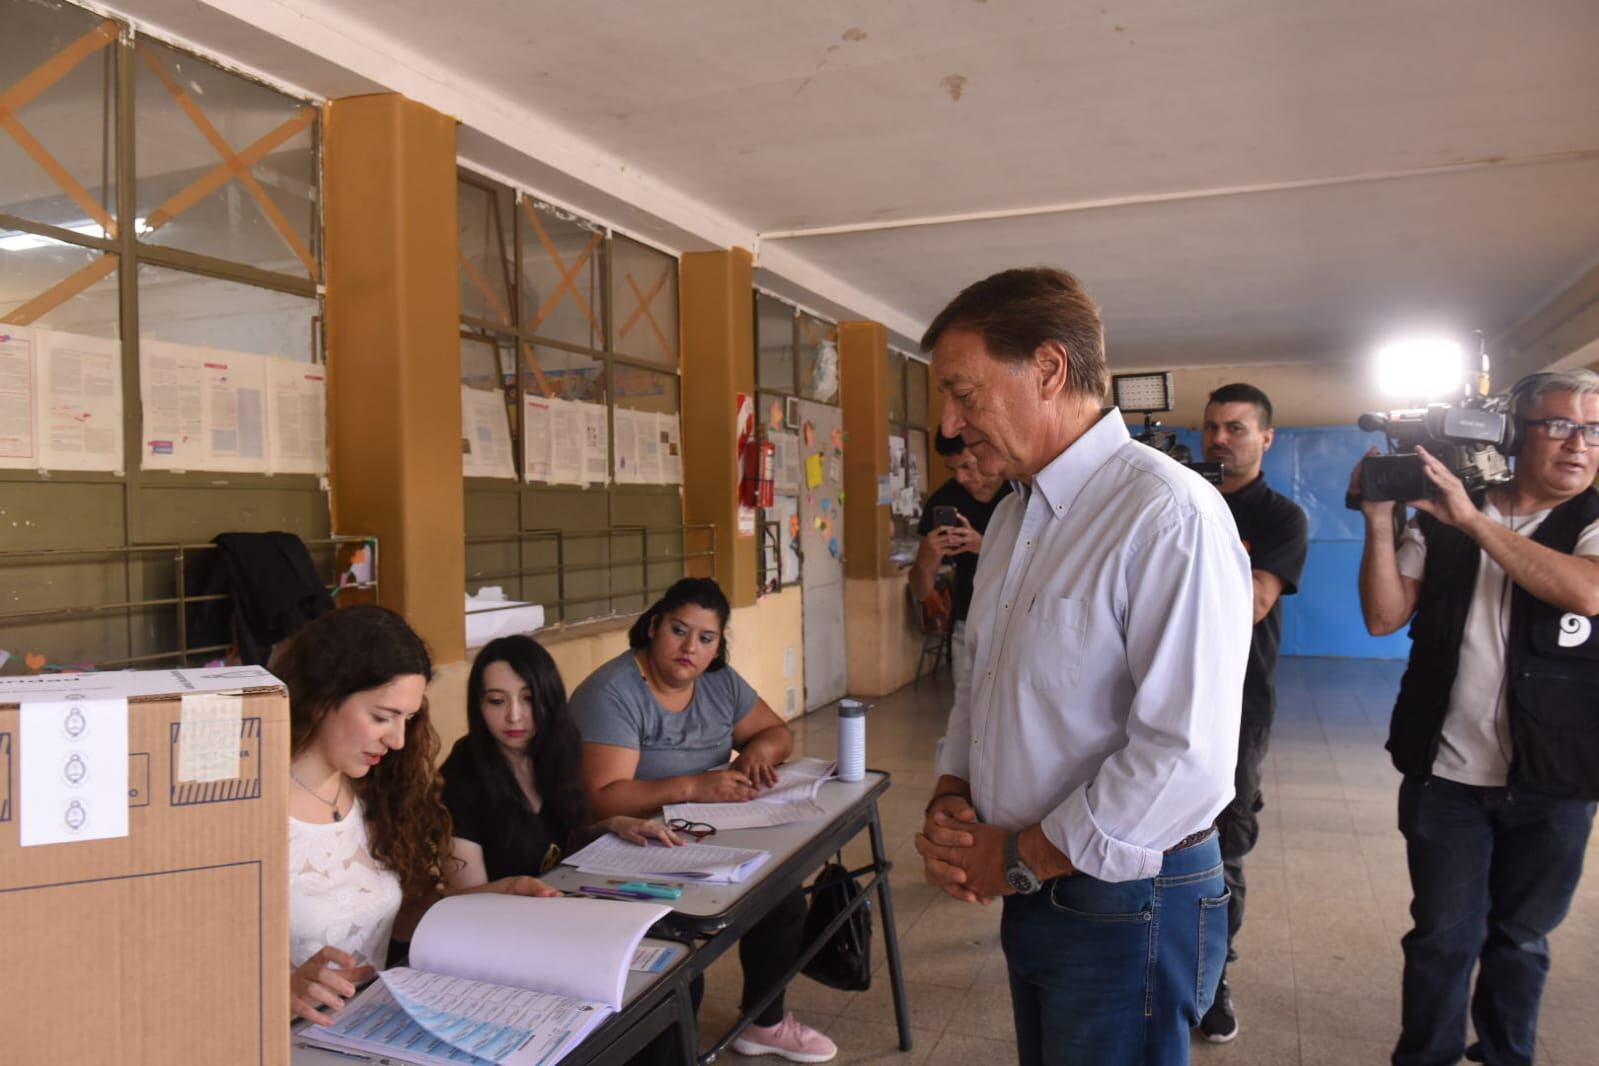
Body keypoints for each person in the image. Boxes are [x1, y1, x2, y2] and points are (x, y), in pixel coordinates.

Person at [911, 267, 1253, 1066]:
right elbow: (981, 683)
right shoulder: (1015, 516)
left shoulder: (1164, 513)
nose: (952, 427)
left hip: (1128, 897)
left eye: (963, 394)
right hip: (1037, 879)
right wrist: (954, 794)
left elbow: (1184, 757)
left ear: (1049, 369)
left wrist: (1019, 857)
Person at [1352, 369, 1599, 1066]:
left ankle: (1503, 1056)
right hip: (1446, 776)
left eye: (1593, 430)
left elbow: (1586, 591)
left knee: (1519, 939)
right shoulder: (1444, 514)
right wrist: (1379, 521)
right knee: (1440, 938)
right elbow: (1383, 614)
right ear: (1515, 433)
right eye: (1557, 425)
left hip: (1555, 780)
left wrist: (1472, 520)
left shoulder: (1586, 520)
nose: (1577, 444)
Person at [573, 577, 837, 1064]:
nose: (689, 647)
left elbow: (776, 732)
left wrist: (757, 752)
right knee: (681, 947)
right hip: (628, 846)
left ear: (717, 648)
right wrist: (694, 786)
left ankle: (765, 1022)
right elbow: (602, 801)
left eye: (705, 638)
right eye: (678, 629)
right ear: (653, 626)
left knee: (782, 901)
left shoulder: (720, 682)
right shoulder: (614, 691)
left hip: (702, 832)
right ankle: (675, 1047)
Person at [285, 605, 558, 1026]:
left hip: (366, 1027)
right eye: (381, 717)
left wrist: (494, 896)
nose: (397, 740)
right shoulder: (250, 809)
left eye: (407, 720)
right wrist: (280, 988)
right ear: (324, 697)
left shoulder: (374, 792)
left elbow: (396, 921)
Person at [1192, 383, 1309, 1043]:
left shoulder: (1279, 517)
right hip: (1155, 697)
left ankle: (1213, 978)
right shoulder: (1174, 499)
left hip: (1236, 704)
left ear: (1265, 438)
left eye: (1235, 429)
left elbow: (1254, 603)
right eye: (1211, 428)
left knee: (1221, 845)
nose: (1219, 439)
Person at [440, 634, 680, 891]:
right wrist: (514, 887)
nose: (514, 716)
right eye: (497, 701)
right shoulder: (461, 775)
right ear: (478, 707)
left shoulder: (558, 747)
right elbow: (460, 898)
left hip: (558, 904)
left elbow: (555, 844)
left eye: (528, 698)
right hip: (499, 922)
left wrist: (612, 825)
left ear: (549, 698)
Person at [910, 429, 1013, 686]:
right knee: (969, 718)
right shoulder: (944, 500)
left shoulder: (1018, 493)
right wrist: (925, 561)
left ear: (985, 451)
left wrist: (984, 546)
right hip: (968, 622)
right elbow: (922, 592)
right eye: (952, 469)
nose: (961, 478)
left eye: (967, 466)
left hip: (1018, 622)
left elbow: (1045, 558)